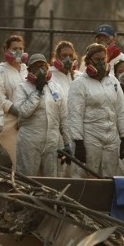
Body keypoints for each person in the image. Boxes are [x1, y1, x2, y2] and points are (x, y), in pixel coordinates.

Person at [68, 43, 124, 178]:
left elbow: (121, 110)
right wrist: (78, 142)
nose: (101, 63)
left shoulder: (113, 81)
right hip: (90, 137)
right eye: (97, 60)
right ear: (88, 61)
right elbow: (75, 115)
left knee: (110, 176)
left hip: (112, 137)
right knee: (88, 175)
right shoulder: (79, 84)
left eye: (103, 59)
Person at [14, 54, 70, 177]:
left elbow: (64, 117)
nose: (41, 70)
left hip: (52, 142)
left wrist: (67, 143)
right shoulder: (22, 87)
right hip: (30, 141)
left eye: (43, 66)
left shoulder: (56, 88)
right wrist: (37, 92)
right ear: (29, 70)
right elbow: (23, 112)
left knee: (51, 180)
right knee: (26, 178)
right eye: (36, 67)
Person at [0, 35, 28, 164]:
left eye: (21, 48)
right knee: (11, 159)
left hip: (28, 120)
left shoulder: (27, 70)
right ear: (5, 50)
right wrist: (14, 110)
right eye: (14, 48)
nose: (18, 52)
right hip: (9, 121)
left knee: (26, 161)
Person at [49, 41, 79, 174]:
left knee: (74, 169)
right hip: (57, 129)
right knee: (58, 169)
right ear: (56, 57)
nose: (68, 59)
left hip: (75, 128)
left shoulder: (77, 76)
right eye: (63, 55)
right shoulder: (50, 75)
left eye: (70, 56)